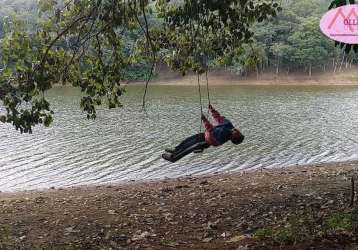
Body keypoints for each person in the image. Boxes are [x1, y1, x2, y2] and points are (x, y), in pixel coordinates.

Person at [162, 105, 245, 162]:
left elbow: (211, 130)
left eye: (238, 133)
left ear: (233, 137)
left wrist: (204, 120)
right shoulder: (229, 125)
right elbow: (219, 118)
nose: (238, 131)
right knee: (187, 141)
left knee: (189, 148)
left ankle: (173, 158)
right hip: (204, 135)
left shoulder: (224, 134)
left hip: (205, 141)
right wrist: (212, 110)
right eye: (239, 132)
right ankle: (176, 150)